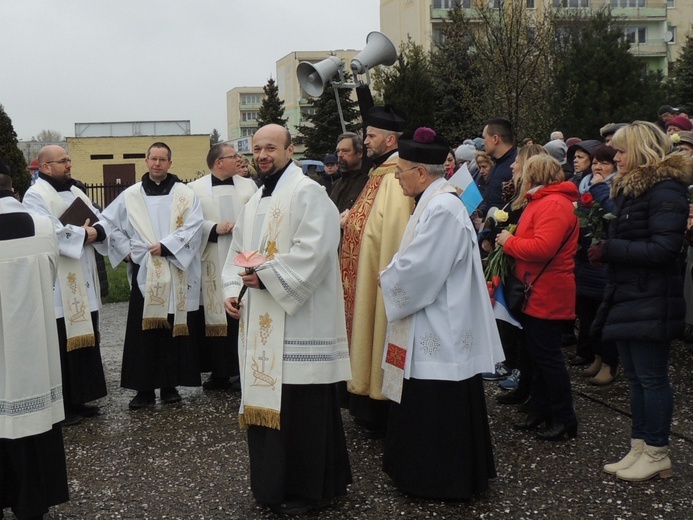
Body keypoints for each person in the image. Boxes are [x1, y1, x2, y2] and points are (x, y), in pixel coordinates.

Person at [222, 124, 351, 515]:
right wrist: (231, 289)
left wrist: (268, 276)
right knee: (272, 407)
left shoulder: (310, 194)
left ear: (290, 149)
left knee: (303, 410)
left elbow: (315, 252)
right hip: (262, 319)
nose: (263, 155)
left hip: (300, 325)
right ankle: (272, 486)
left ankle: (312, 490)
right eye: (257, 149)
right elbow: (237, 254)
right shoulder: (256, 200)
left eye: (271, 148)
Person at [379, 127, 503, 500]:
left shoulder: (444, 207)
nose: (398, 180)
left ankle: (438, 480)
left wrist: (387, 277)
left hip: (439, 324)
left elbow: (424, 269)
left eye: (400, 172)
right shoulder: (434, 201)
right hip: (431, 316)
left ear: (420, 172)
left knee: (436, 405)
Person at [590, 121, 693, 481]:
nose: (613, 157)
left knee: (651, 378)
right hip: (631, 293)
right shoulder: (631, 190)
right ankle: (640, 446)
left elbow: (665, 249)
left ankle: (657, 451)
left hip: (651, 296)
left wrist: (612, 248)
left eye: (620, 151)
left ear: (641, 150)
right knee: (636, 377)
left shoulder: (666, 190)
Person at [101, 142, 204, 409]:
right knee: (143, 332)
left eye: (162, 159)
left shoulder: (185, 194)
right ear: (146, 161)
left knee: (170, 328)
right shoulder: (131, 195)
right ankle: (143, 389)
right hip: (144, 270)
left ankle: (170, 386)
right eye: (153, 159)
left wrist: (167, 245)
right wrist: (125, 251)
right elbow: (108, 224)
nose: (157, 164)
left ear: (170, 163)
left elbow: (195, 227)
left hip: (174, 266)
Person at [0, 161, 69, 520]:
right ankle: (31, 504)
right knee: (30, 427)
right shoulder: (41, 225)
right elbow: (52, 276)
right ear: (11, 185)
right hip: (32, 348)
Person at [340, 105, 414, 439]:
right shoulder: (379, 172)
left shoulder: (397, 176)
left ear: (390, 138)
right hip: (362, 272)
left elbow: (394, 234)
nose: (365, 141)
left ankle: (379, 403)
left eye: (370, 136)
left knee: (377, 328)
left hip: (378, 276)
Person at [23, 145, 109, 426]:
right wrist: (85, 232)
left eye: (69, 160)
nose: (69, 165)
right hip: (60, 283)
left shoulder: (77, 191)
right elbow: (47, 230)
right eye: (63, 162)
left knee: (85, 337)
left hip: (83, 277)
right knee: (62, 341)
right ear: (46, 167)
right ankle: (62, 405)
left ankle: (81, 398)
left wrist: (97, 231)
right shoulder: (35, 195)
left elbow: (102, 218)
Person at [497, 154, 579, 441]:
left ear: (533, 175)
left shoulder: (553, 204)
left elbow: (542, 248)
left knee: (549, 358)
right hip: (537, 288)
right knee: (538, 354)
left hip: (547, 291)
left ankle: (565, 417)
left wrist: (509, 242)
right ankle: (542, 410)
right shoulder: (543, 201)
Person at [189, 143, 257, 391]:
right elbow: (188, 224)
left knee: (242, 309)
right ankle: (219, 372)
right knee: (216, 313)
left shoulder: (248, 185)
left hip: (244, 257)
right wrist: (212, 228)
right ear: (219, 162)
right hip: (212, 258)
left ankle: (242, 370)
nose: (239, 160)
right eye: (233, 156)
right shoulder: (195, 189)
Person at [475, 118, 518, 227]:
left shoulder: (516, 166)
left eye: (484, 137)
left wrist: (488, 226)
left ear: (495, 139)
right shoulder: (496, 165)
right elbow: (491, 199)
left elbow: (514, 206)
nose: (483, 142)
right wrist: (481, 212)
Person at [331, 132, 369, 217]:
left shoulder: (368, 183)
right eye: (338, 151)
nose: (340, 155)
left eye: (345, 151)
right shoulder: (336, 184)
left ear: (359, 153)